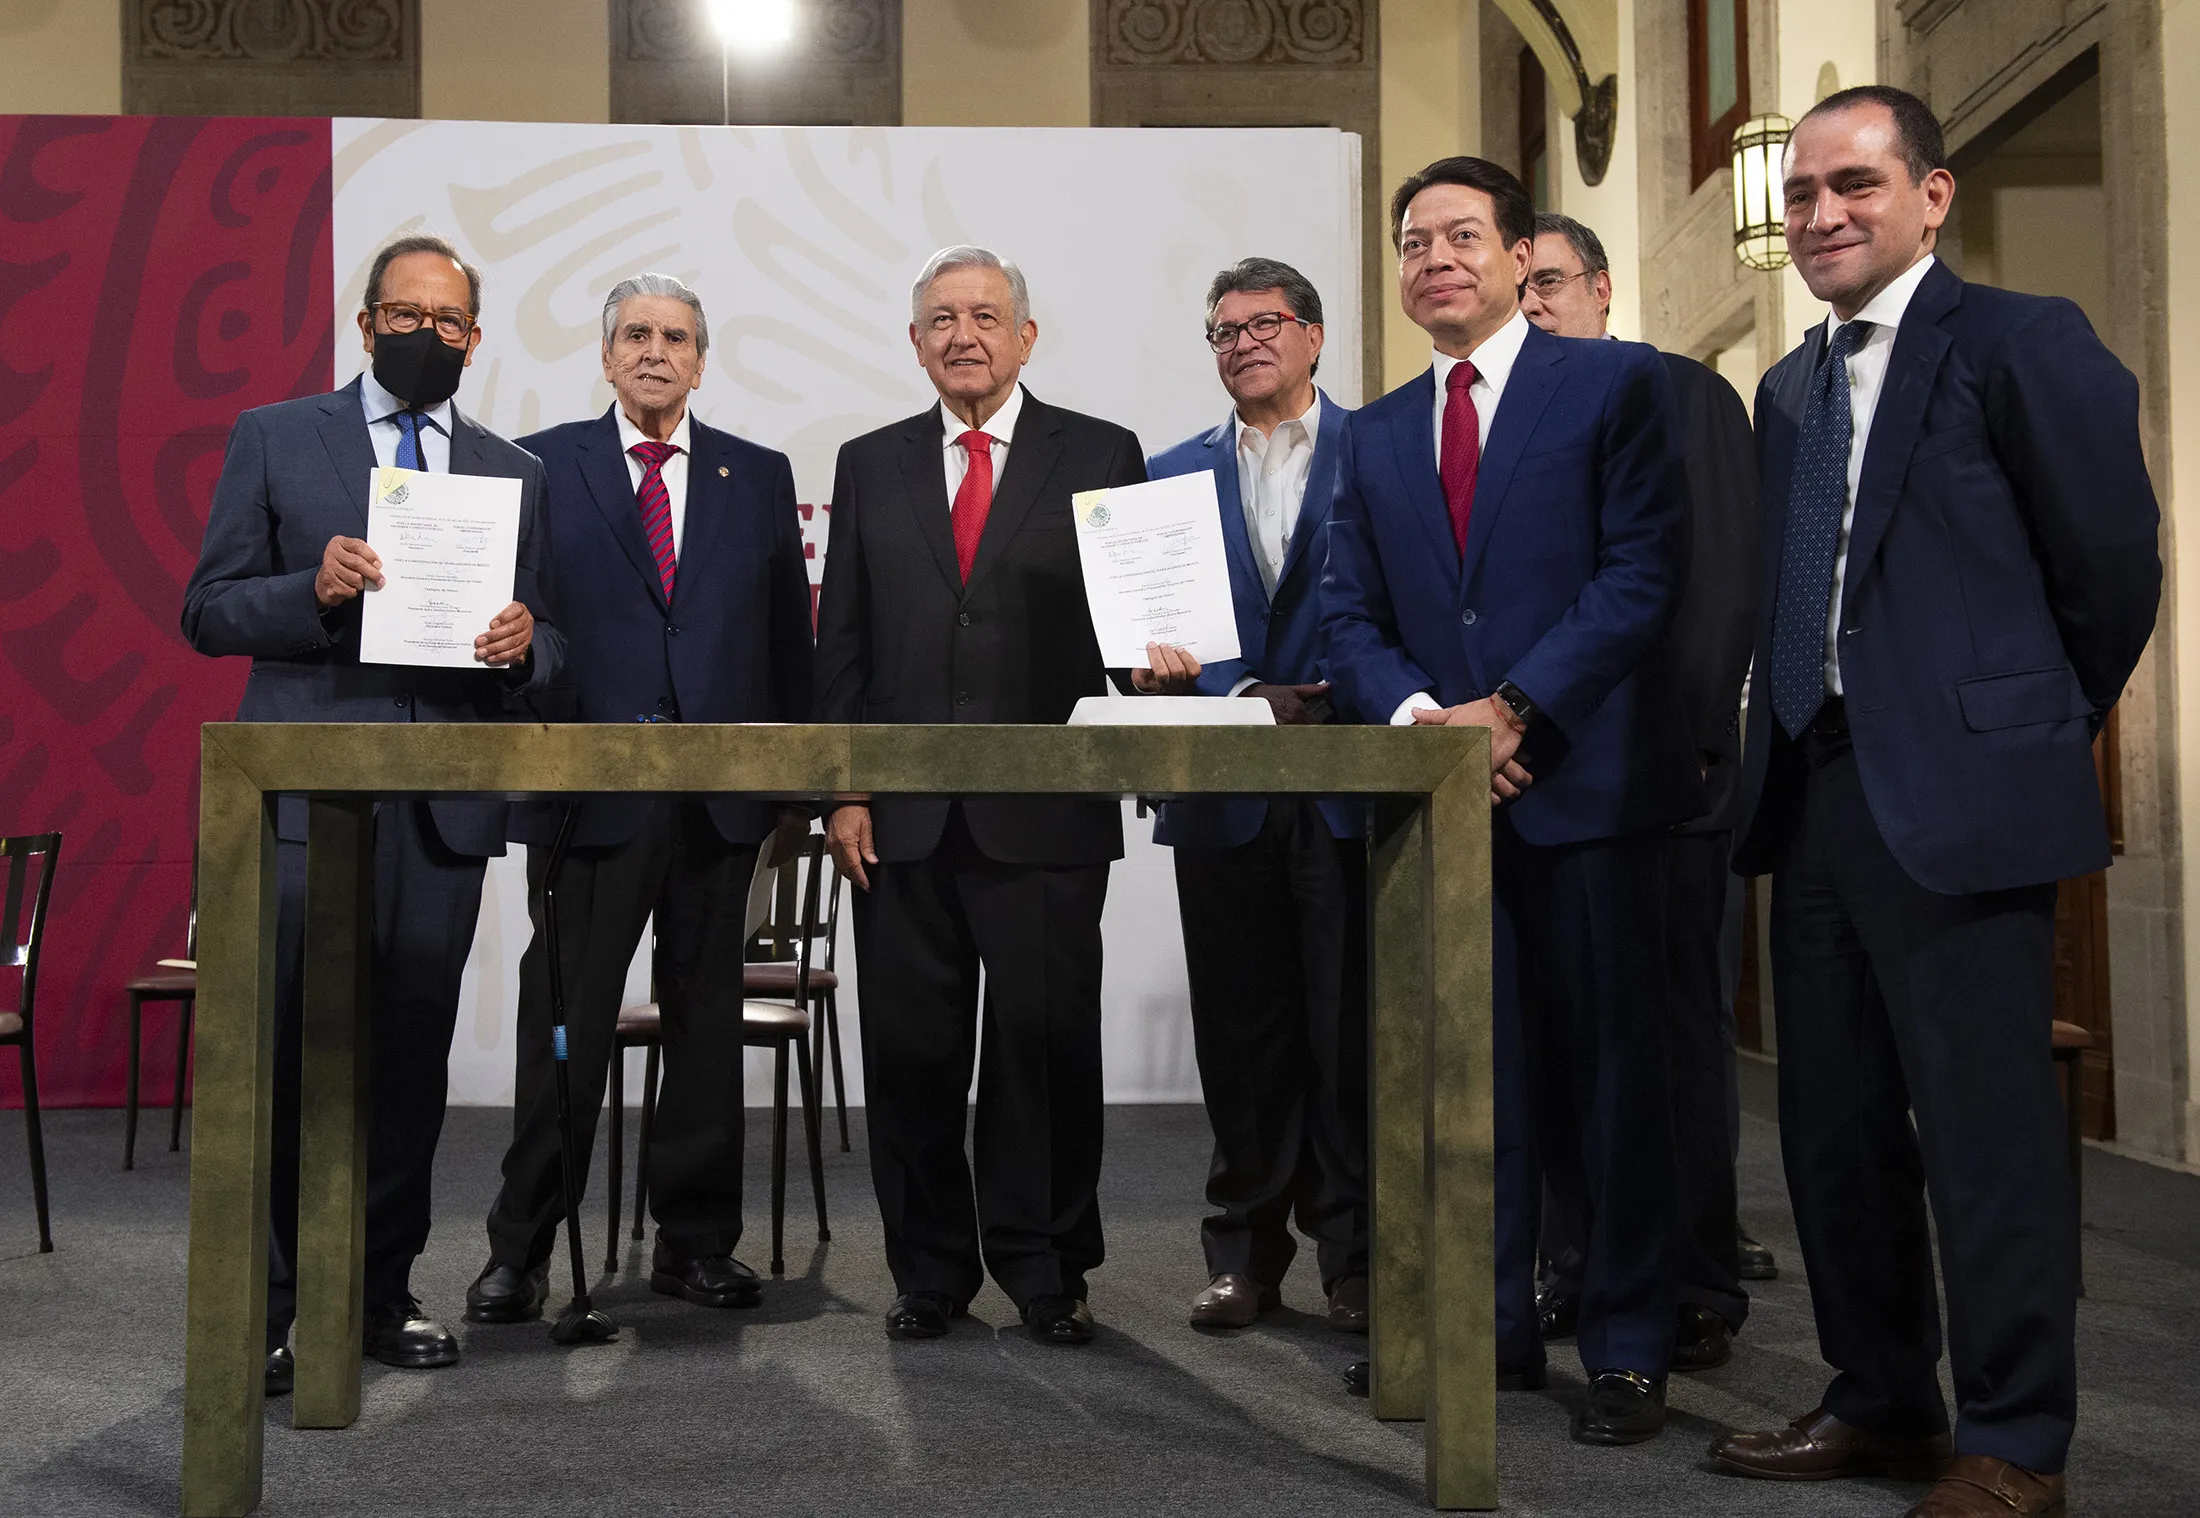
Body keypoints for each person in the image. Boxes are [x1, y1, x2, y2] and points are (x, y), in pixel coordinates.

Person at [1707, 88, 2159, 1518]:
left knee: (1986, 1136)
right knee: (1832, 1124)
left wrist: (2023, 724)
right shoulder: (1785, 389)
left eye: (1856, 184)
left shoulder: (2023, 343)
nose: (1826, 213)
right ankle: (1884, 1398)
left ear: (1932, 195)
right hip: (1813, 789)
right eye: (1805, 195)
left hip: (1965, 798)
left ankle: (2017, 1439)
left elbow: (2110, 569)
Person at [1320, 158, 1701, 1445]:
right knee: (1466, 1087)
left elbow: (1645, 572)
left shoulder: (1613, 383)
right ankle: (1485, 1336)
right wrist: (1433, 724)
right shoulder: (1369, 433)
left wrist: (1518, 707)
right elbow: (1347, 615)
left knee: (1612, 1087)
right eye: (1414, 239)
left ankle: (1629, 1347)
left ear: (1513, 250)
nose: (1436, 256)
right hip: (1441, 803)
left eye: (1463, 234)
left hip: (1586, 791)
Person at [181, 234, 561, 1393]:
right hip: (305, 805)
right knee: (297, 1054)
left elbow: (548, 652)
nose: (426, 336)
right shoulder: (275, 435)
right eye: (407, 314)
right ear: (365, 321)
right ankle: (281, 1308)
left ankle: (381, 1291)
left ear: (474, 340)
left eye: (449, 323)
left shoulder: (515, 472)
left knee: (407, 1061)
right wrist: (312, 590)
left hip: (441, 811)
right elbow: (207, 611)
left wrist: (522, 648)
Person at [813, 246, 1189, 1347]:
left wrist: (1157, 665)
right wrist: (842, 791)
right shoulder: (870, 463)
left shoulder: (1100, 450)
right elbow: (842, 641)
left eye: (984, 315)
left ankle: (1047, 1269)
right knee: (911, 1057)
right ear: (915, 340)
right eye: (940, 318)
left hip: (1047, 811)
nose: (962, 334)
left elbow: (1131, 630)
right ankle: (928, 1271)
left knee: (1041, 1050)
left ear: (1027, 336)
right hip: (904, 817)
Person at [465, 274, 814, 1327]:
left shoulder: (755, 474)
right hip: (589, 800)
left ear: (701, 360)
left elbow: (785, 643)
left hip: (720, 802)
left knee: (707, 1028)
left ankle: (695, 1245)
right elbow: (516, 625)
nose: (656, 351)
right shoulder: (540, 466)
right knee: (562, 1027)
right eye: (636, 335)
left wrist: (793, 792)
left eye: (676, 337)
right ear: (607, 356)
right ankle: (520, 1253)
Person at [1518, 212, 1762, 1370]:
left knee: (1668, 1042)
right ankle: (1580, 1264)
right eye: (1518, 289)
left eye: (1550, 282)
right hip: (1555, 779)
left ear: (1602, 290)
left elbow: (1715, 577)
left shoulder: (1672, 389)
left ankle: (1697, 1280)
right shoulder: (1517, 422)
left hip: (1671, 774)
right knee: (1569, 1043)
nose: (1532, 305)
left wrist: (1701, 739)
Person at [1146, 258, 1368, 1334]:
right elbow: (1141, 649)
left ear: (1314, 336)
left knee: (1352, 1033)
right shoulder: (1163, 477)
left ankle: (1357, 1257)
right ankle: (1243, 1256)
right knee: (1240, 1037)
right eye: (1222, 330)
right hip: (1222, 785)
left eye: (1264, 324)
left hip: (1349, 787)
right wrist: (1238, 694)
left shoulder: (1382, 451)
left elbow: (1404, 600)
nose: (1242, 343)